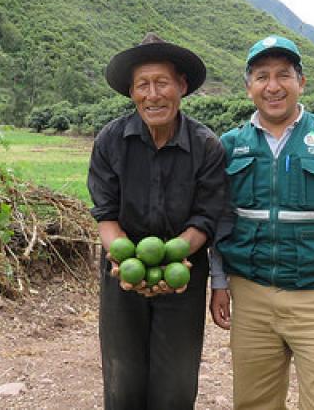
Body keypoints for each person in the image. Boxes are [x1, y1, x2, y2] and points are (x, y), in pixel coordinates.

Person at [208, 35, 314, 409]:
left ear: (301, 82)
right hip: (251, 295)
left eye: (283, 75)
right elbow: (222, 220)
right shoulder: (229, 144)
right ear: (248, 86)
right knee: (254, 403)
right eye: (262, 76)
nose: (273, 86)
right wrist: (219, 283)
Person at [88, 33, 227, 409]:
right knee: (123, 380)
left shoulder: (206, 145)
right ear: (131, 92)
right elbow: (105, 213)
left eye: (162, 83)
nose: (153, 95)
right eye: (142, 85)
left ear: (181, 86)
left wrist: (175, 258)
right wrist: (120, 256)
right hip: (123, 272)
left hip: (184, 270)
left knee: (176, 385)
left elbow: (206, 216)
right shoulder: (110, 141)